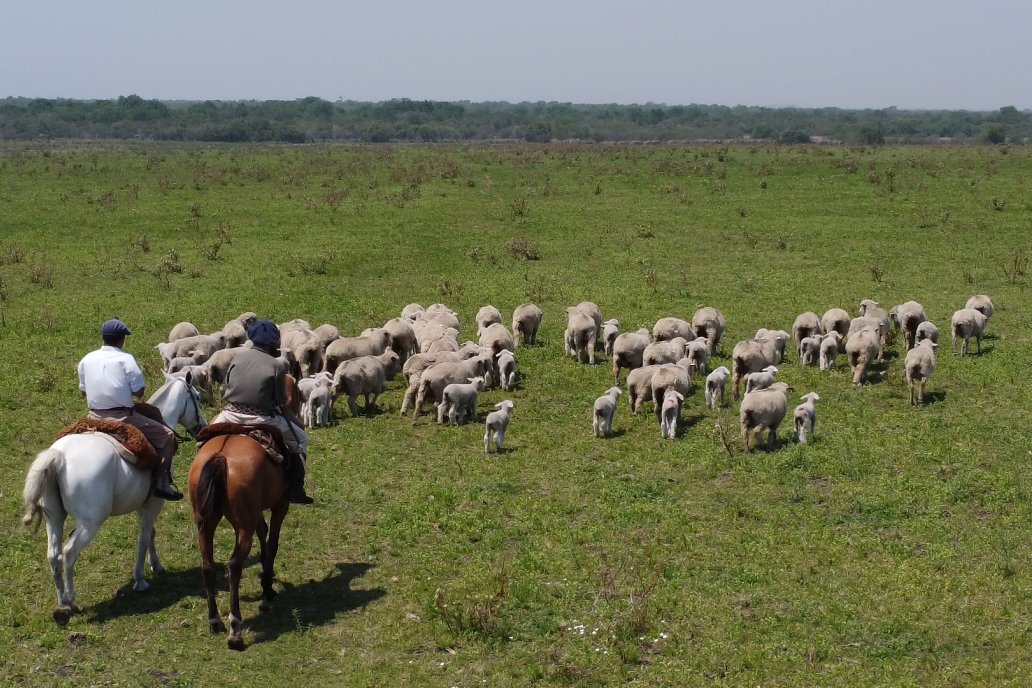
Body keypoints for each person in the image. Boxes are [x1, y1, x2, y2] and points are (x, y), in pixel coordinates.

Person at [210, 319, 314, 504]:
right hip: (261, 417)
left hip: (231, 413)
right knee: (300, 439)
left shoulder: (236, 359)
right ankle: (296, 488)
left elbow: (227, 387)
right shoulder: (276, 365)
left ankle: (205, 472)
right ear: (274, 343)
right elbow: (281, 401)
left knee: (206, 436)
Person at [78, 318, 182, 501]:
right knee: (168, 436)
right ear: (121, 340)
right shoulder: (125, 359)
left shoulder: (86, 359)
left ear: (104, 337)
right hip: (122, 417)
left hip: (93, 416)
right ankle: (161, 482)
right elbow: (139, 392)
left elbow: (83, 393)